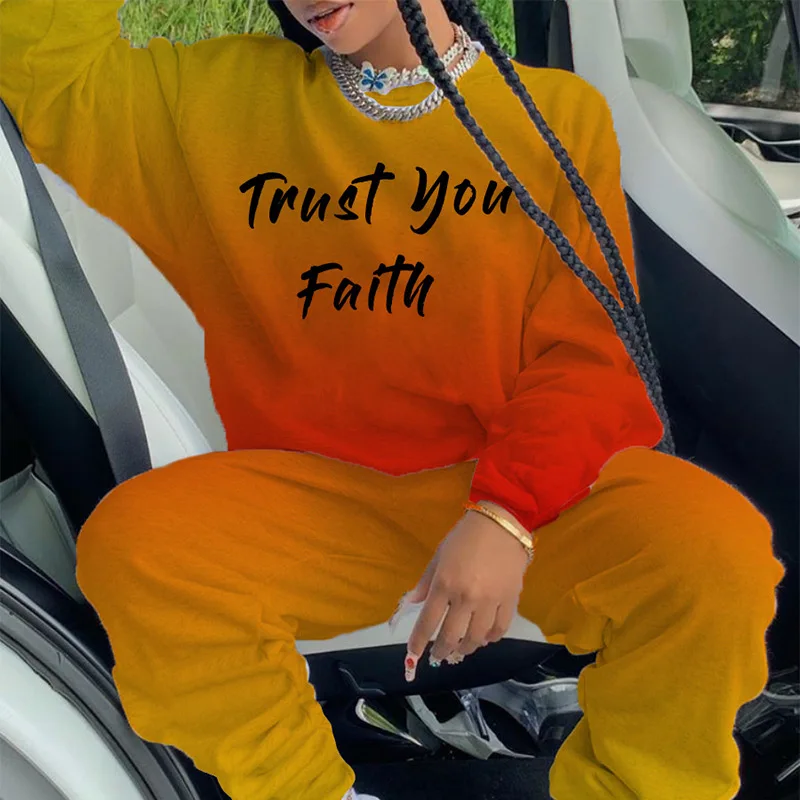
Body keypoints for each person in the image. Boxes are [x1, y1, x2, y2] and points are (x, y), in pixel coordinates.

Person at [0, 1, 786, 799]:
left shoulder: (555, 116)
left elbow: (592, 352)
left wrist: (504, 515)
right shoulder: (217, 98)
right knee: (136, 546)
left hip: (519, 490)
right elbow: (48, 74)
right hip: (321, 502)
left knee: (714, 551)